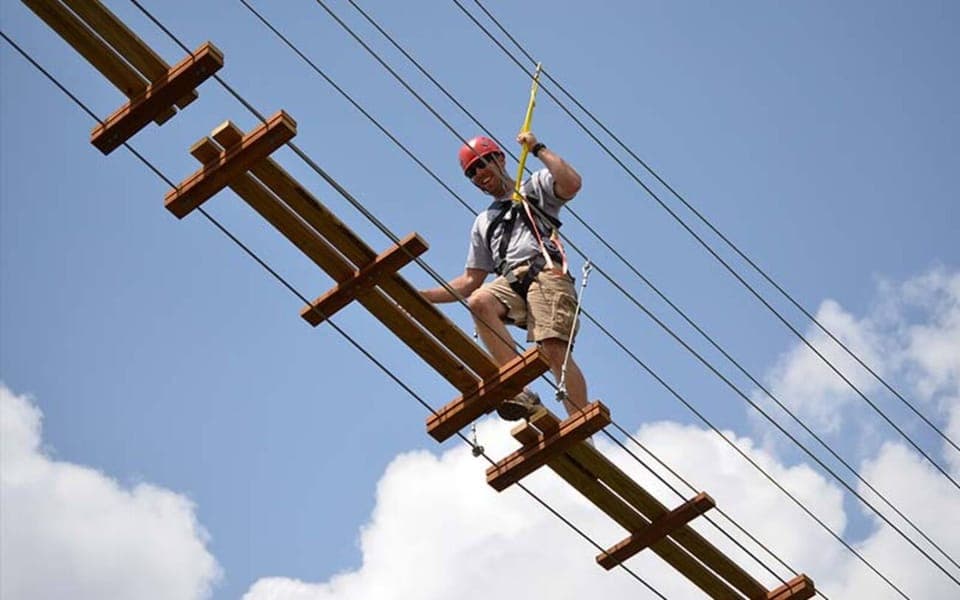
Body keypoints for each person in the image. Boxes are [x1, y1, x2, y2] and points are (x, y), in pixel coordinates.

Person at [420, 131, 589, 420]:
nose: (478, 174)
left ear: (500, 158)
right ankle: (520, 391)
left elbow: (572, 183)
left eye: (481, 163)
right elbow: (470, 281)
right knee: (479, 301)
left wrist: (537, 148)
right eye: (471, 172)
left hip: (545, 274)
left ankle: (581, 424)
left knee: (553, 349)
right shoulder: (483, 222)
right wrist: (424, 297)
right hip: (511, 283)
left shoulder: (534, 187)